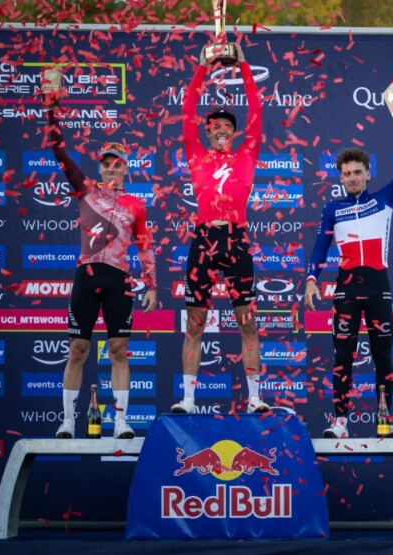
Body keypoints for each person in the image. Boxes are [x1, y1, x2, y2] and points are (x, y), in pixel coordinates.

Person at [42, 76, 158, 440]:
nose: (111, 168)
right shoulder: (85, 190)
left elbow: (144, 244)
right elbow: (59, 152)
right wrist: (52, 111)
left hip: (119, 278)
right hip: (87, 274)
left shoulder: (136, 204)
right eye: (106, 164)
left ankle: (121, 422)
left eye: (117, 164)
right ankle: (67, 422)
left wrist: (151, 284)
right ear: (100, 168)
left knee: (119, 350)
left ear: (125, 169)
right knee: (77, 349)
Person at [304, 111, 393, 439]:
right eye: (346, 174)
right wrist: (311, 279)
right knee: (343, 356)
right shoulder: (333, 209)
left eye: (357, 172)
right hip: (347, 288)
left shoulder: (384, 198)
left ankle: (384, 422)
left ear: (368, 174)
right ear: (340, 178)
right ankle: (340, 422)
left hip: (378, 285)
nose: (352, 178)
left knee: (383, 356)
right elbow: (320, 247)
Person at [171, 43, 268, 415]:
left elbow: (256, 110)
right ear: (208, 131)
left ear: (235, 132)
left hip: (236, 239)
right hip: (204, 239)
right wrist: (201, 66)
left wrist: (243, 65)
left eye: (228, 125)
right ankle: (188, 399)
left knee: (247, 322)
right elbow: (187, 111)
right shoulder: (196, 155)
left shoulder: (247, 154)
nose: (222, 129)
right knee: (195, 323)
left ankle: (255, 397)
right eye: (215, 125)